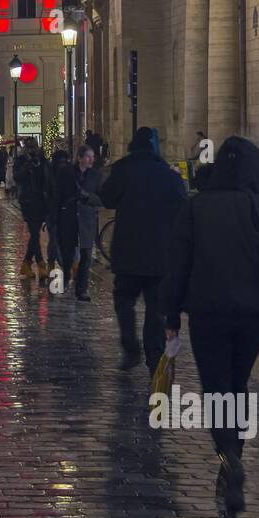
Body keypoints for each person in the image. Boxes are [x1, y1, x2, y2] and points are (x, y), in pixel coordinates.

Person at [160, 136, 259, 514]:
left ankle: (229, 456)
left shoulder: (195, 209)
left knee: (217, 388)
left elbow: (177, 267)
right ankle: (233, 456)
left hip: (208, 313)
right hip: (254, 316)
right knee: (238, 383)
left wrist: (170, 316)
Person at [100, 127, 187, 370]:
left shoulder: (123, 169)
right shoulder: (169, 176)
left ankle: (131, 348)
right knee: (156, 309)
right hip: (160, 254)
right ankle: (154, 357)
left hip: (128, 252)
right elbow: (183, 210)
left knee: (124, 300)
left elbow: (106, 197)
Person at [53, 144, 103, 301]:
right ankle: (65, 279)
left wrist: (88, 197)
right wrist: (54, 219)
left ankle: (81, 289)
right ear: (80, 158)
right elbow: (57, 196)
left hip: (87, 221)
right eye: (88, 157)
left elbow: (101, 198)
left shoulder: (95, 175)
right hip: (68, 219)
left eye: (93, 157)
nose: (91, 160)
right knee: (67, 255)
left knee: (86, 256)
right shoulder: (66, 173)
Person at [13, 138, 50, 279]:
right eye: (29, 148)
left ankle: (26, 264)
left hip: (41, 201)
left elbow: (48, 179)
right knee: (34, 233)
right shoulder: (21, 161)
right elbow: (18, 178)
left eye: (34, 147)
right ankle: (41, 264)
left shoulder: (43, 160)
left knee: (35, 234)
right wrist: (27, 165)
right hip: (27, 201)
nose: (32, 150)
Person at [45, 149, 69, 269]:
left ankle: (52, 262)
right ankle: (58, 264)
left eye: (64, 162)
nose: (62, 165)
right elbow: (47, 192)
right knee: (54, 239)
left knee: (58, 239)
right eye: (60, 162)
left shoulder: (68, 173)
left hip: (65, 211)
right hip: (52, 211)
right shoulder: (50, 173)